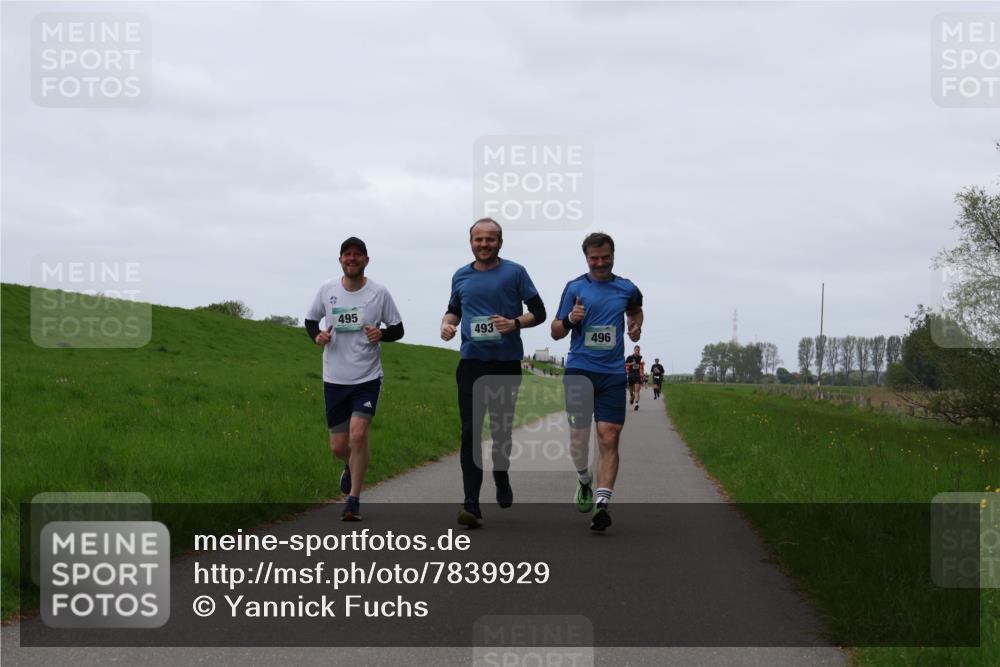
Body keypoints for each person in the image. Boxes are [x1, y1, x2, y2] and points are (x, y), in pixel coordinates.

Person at [441, 218, 546, 528]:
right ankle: (471, 503)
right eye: (478, 239)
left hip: (505, 363)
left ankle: (501, 473)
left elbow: (539, 312)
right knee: (470, 431)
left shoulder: (515, 272)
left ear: (500, 242)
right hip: (471, 362)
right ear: (470, 242)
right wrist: (447, 324)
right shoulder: (460, 275)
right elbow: (454, 310)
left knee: (501, 431)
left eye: (490, 239)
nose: (483, 244)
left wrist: (515, 323)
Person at [305, 237, 404, 521]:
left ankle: (353, 500)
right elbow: (311, 320)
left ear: (366, 260)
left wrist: (381, 334)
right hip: (334, 378)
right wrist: (317, 336)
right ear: (340, 260)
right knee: (338, 446)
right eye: (347, 255)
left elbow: (398, 328)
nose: (352, 259)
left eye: (357, 255)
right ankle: (351, 465)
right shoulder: (327, 290)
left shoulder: (379, 293)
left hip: (367, 377)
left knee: (358, 434)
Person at [551, 232, 643, 531]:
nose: (601, 263)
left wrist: (635, 326)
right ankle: (584, 480)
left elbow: (636, 311)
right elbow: (555, 331)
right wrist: (571, 320)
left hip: (613, 373)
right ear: (586, 258)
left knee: (609, 435)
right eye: (594, 258)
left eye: (605, 257)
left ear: (613, 255)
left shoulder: (627, 288)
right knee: (579, 440)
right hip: (580, 370)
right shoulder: (575, 287)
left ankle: (602, 505)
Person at [625, 345, 643, 410]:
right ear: (634, 350)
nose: (637, 351)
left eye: (638, 350)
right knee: (631, 390)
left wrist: (641, 372)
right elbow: (625, 363)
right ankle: (632, 396)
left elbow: (641, 365)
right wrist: (631, 363)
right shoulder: (630, 357)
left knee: (637, 391)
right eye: (636, 350)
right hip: (630, 375)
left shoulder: (640, 357)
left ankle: (636, 404)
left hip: (637, 376)